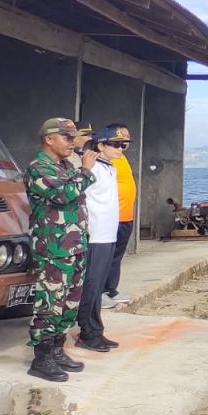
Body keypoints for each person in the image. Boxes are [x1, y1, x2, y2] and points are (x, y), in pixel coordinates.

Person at [25, 118, 98, 382]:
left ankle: (57, 349)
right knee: (50, 302)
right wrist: (87, 171)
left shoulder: (66, 165)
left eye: (72, 137)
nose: (72, 142)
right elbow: (64, 195)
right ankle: (41, 357)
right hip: (53, 248)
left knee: (69, 302)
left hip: (75, 245)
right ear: (49, 139)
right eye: (66, 138)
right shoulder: (38, 168)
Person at [76, 130, 123, 354]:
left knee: (98, 285)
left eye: (123, 144)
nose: (120, 148)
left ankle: (96, 330)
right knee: (91, 286)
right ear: (100, 146)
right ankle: (87, 332)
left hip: (108, 234)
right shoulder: (91, 165)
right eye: (115, 144)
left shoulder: (109, 167)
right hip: (95, 235)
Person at [99, 123, 135, 309]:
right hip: (112, 217)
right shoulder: (104, 159)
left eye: (125, 141)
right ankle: (100, 292)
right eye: (118, 141)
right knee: (105, 256)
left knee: (117, 256)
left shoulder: (122, 157)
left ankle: (111, 289)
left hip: (126, 216)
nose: (122, 145)